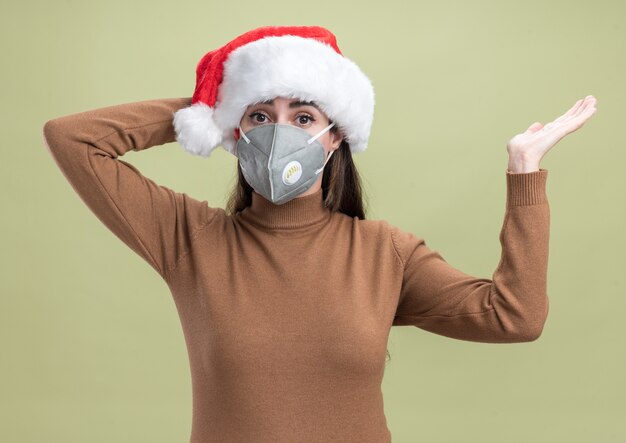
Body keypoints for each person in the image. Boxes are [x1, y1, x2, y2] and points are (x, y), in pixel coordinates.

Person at [42, 25, 597, 443]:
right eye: (260, 115)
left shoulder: (386, 254)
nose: (279, 131)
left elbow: (516, 317)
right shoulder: (190, 239)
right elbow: (71, 139)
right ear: (236, 132)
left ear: (336, 137)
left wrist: (525, 173)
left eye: (303, 116)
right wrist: (207, 104)